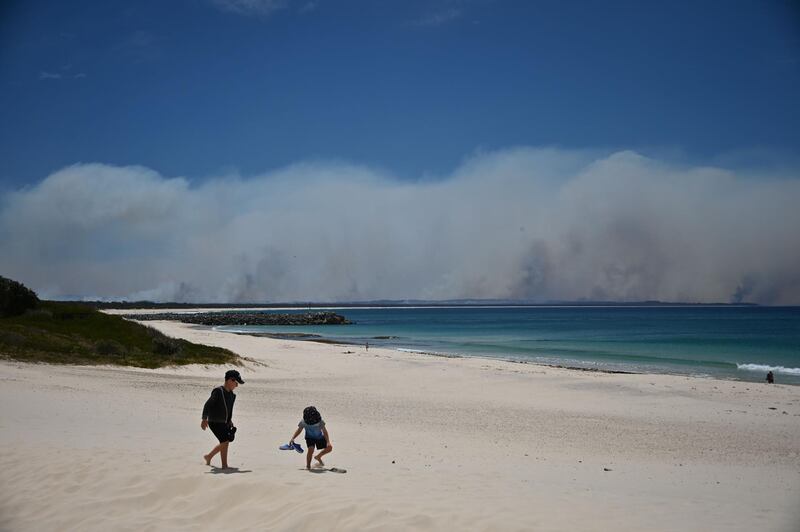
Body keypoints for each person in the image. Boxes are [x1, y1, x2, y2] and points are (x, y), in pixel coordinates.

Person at [201, 369, 244, 468]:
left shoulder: (232, 395)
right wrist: (204, 419)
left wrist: (229, 420)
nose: (237, 386)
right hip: (214, 421)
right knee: (225, 441)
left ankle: (209, 456)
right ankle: (224, 465)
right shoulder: (218, 391)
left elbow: (229, 410)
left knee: (225, 442)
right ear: (230, 380)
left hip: (224, 422)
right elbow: (207, 405)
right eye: (236, 383)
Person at [289, 405, 333, 470]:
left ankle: (318, 457)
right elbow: (299, 430)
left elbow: (325, 431)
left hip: (319, 437)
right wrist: (293, 438)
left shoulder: (320, 422)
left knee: (329, 448)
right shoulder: (303, 422)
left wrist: (328, 442)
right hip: (309, 438)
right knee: (310, 450)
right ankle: (308, 466)